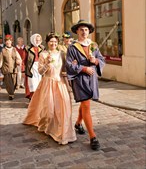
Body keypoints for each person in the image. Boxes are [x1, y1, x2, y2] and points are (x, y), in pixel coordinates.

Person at [23, 33, 76, 145]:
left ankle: (62, 132)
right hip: (47, 83)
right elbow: (41, 71)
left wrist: (69, 79)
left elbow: (65, 69)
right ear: (47, 42)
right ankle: (48, 126)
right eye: (51, 41)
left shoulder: (61, 54)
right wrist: (46, 63)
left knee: (63, 109)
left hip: (60, 83)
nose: (53, 43)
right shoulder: (43, 54)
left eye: (55, 42)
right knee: (49, 110)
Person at [66, 19, 105, 150]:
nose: (84, 32)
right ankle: (93, 137)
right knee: (86, 104)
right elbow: (70, 64)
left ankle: (78, 123)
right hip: (80, 79)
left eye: (86, 30)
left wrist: (96, 61)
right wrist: (83, 68)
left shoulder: (93, 45)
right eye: (81, 29)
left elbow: (101, 59)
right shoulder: (72, 47)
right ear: (77, 31)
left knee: (85, 103)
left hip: (92, 78)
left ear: (89, 32)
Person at [0, 34, 22, 100]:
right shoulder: (3, 50)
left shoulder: (14, 49)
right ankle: (11, 94)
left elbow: (18, 58)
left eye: (9, 40)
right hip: (6, 69)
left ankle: (12, 92)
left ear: (11, 41)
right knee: (8, 83)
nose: (7, 42)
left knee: (14, 83)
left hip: (14, 69)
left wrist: (19, 61)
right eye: (6, 41)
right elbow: (1, 60)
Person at [25, 33, 44, 100]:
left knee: (40, 83)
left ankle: (39, 99)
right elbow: (24, 59)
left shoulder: (42, 48)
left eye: (39, 40)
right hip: (31, 68)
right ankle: (32, 98)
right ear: (33, 40)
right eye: (36, 40)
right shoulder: (27, 49)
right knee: (33, 83)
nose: (37, 41)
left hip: (40, 67)